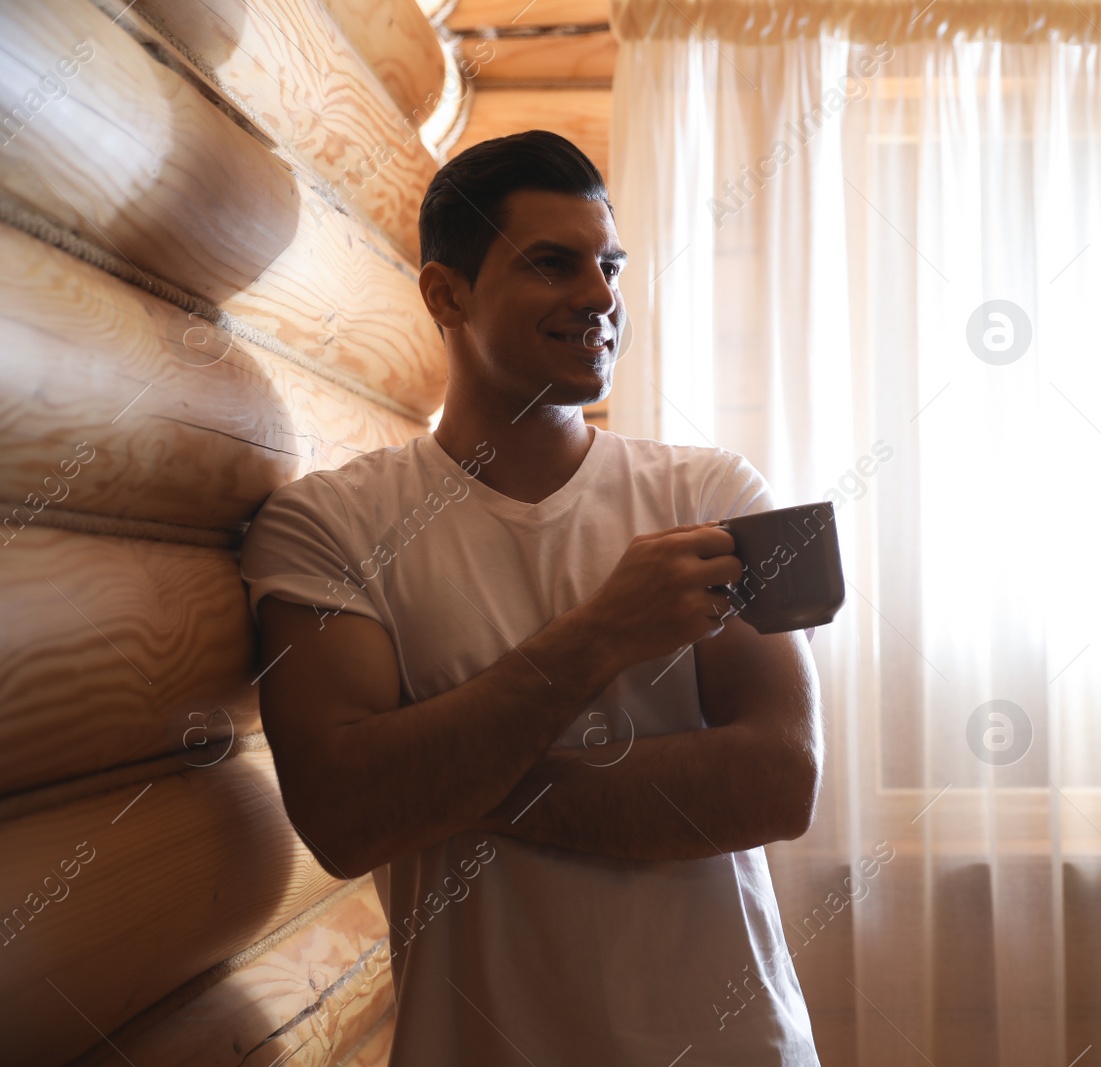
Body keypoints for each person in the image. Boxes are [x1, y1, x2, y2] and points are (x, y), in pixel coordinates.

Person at [240, 130, 824, 1065]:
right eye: (553, 264)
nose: (600, 297)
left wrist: (447, 782)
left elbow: (778, 782)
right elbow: (347, 819)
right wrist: (599, 635)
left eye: (611, 266)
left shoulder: (718, 495)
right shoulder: (327, 527)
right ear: (447, 293)